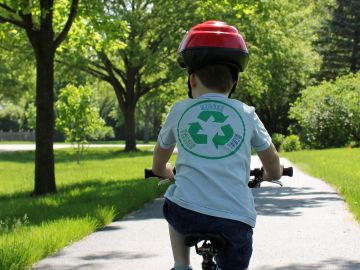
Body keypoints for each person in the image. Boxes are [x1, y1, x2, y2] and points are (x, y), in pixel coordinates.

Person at [152, 21, 283, 270]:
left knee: (173, 199)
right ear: (234, 82)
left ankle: (181, 264)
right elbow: (272, 161)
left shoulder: (179, 110)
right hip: (235, 221)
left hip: (187, 216)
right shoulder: (246, 113)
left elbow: (160, 155)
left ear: (191, 80)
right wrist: (271, 174)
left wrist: (163, 170)